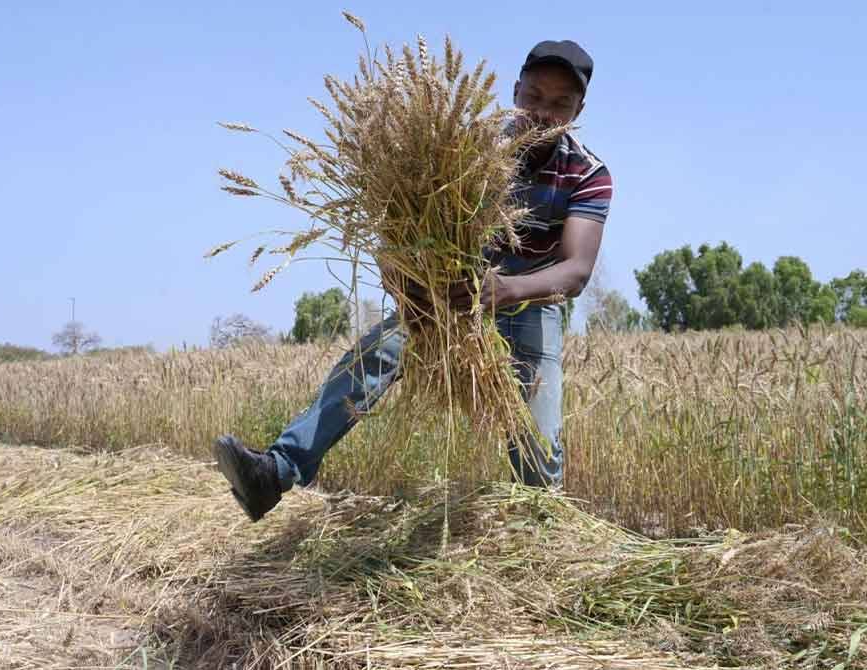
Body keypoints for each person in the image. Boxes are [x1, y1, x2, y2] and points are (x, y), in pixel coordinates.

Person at [215, 40, 613, 522]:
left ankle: (543, 525)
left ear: (579, 110)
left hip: (530, 299)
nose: (542, 113)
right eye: (533, 96)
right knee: (376, 353)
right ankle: (274, 473)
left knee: (536, 443)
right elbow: (402, 220)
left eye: (560, 104)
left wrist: (505, 289)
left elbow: (575, 271)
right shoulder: (462, 145)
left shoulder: (589, 173)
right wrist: (403, 275)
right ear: (514, 92)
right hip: (451, 292)